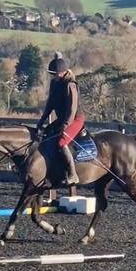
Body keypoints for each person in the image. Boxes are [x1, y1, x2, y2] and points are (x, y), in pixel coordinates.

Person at [36, 52, 84, 186]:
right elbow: (50, 104)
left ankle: (73, 174)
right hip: (62, 118)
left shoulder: (70, 85)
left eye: (55, 74)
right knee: (46, 135)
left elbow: (72, 109)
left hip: (74, 118)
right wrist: (41, 121)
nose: (54, 76)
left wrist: (66, 125)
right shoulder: (54, 83)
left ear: (62, 72)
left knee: (62, 142)